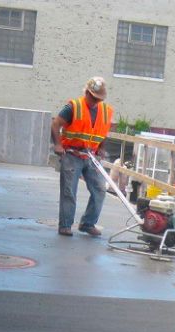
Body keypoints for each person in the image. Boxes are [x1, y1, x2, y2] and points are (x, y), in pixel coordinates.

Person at [51, 76, 114, 237]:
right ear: (86, 92)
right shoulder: (73, 107)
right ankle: (65, 225)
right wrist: (57, 144)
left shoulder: (105, 111)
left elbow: (102, 132)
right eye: (93, 97)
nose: (95, 101)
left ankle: (88, 223)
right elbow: (56, 124)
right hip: (72, 154)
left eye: (98, 99)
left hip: (90, 156)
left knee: (100, 189)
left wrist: (101, 148)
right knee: (69, 191)